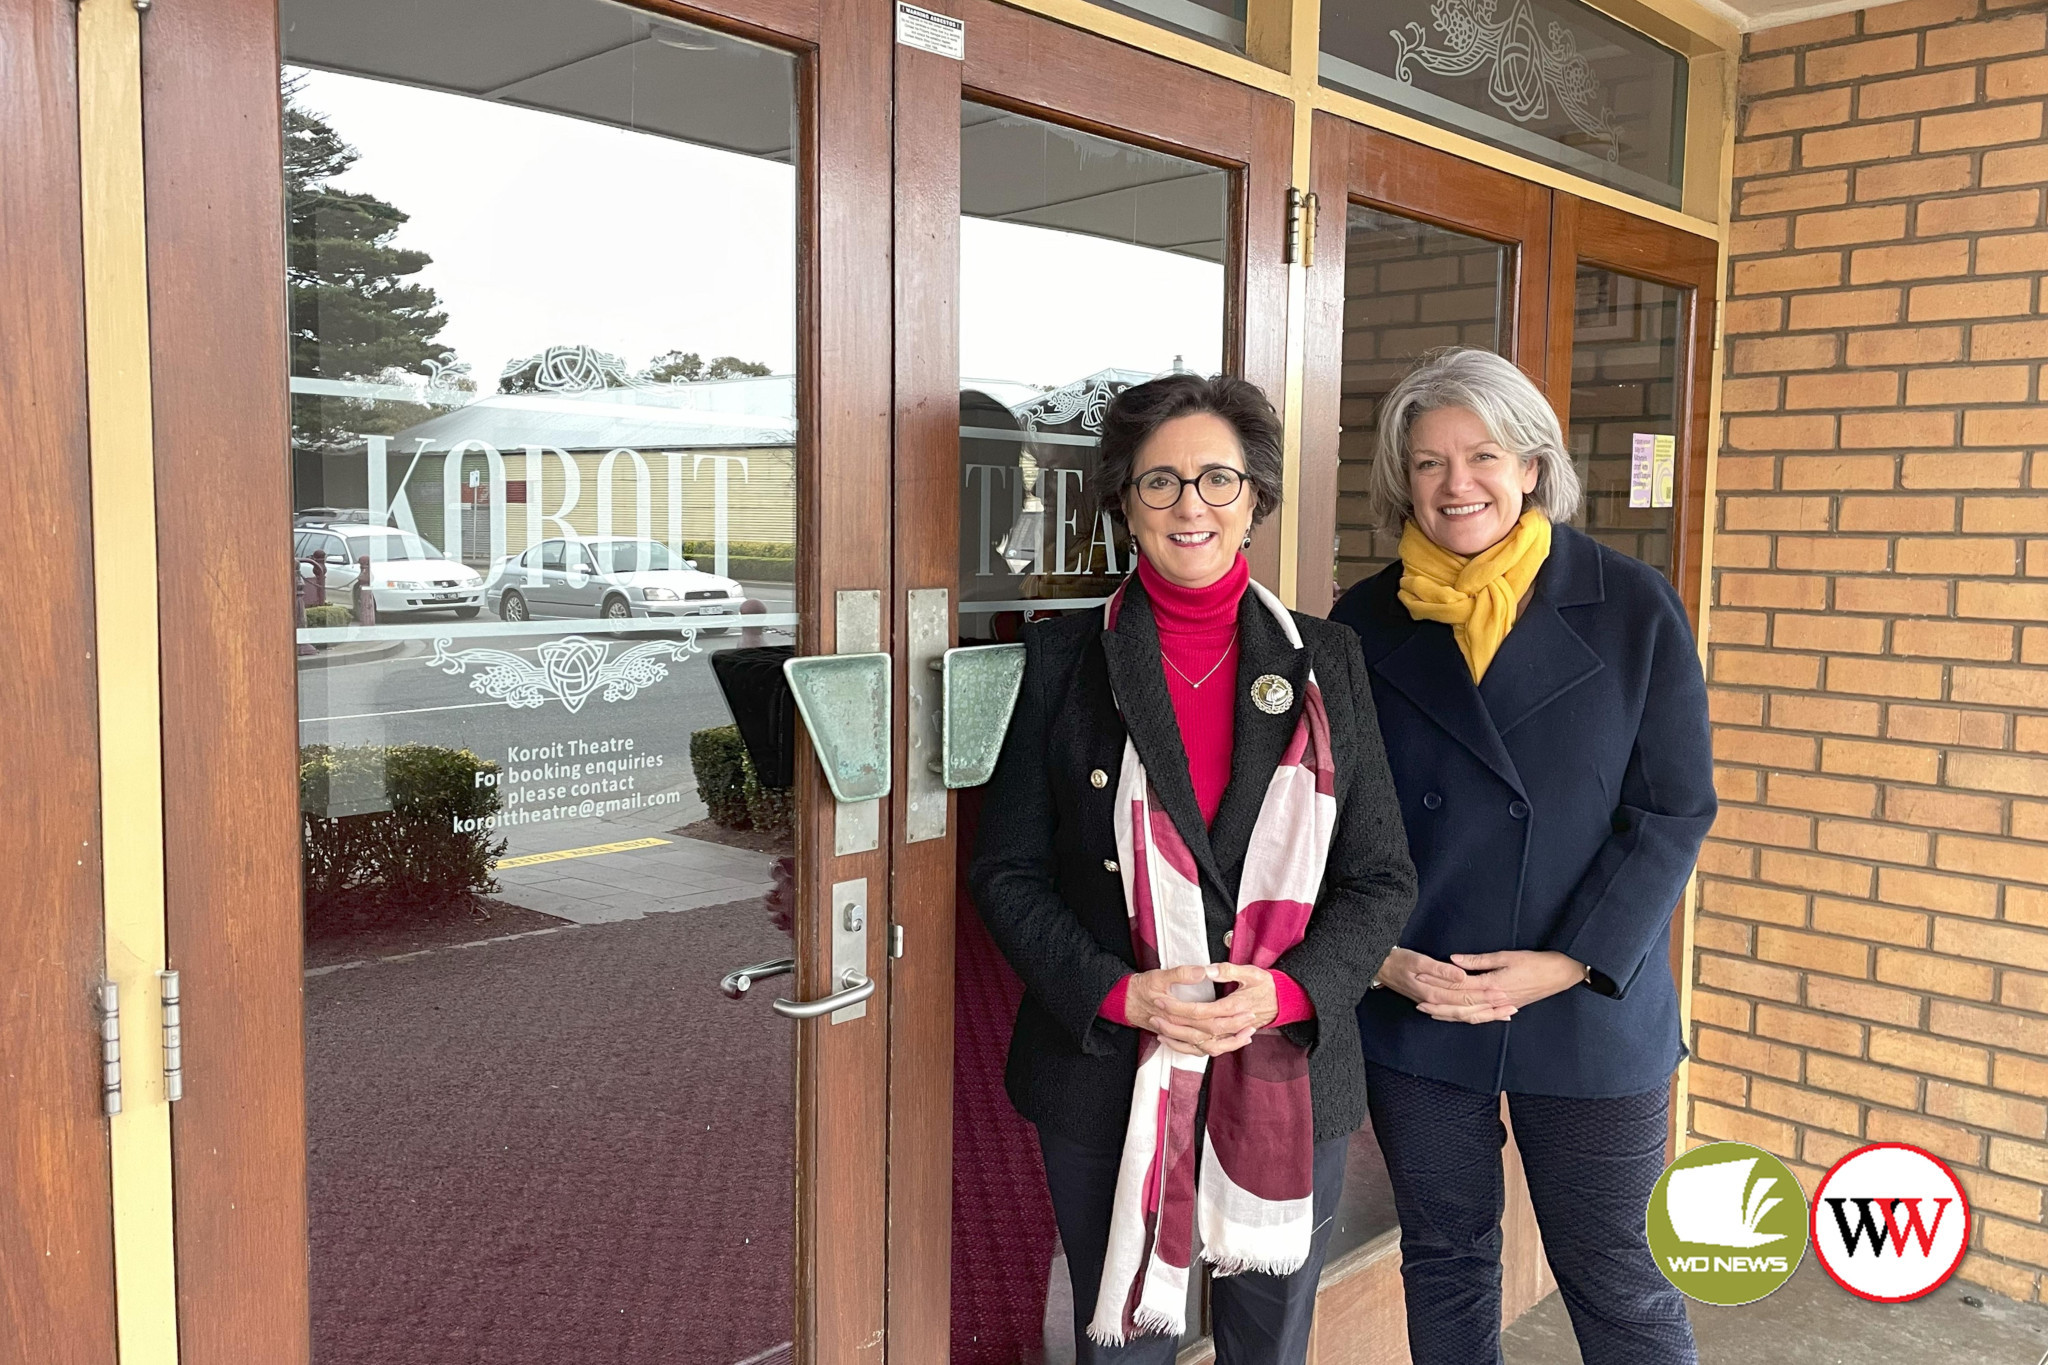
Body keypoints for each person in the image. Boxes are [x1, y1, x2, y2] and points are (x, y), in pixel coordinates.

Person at [970, 373, 1416, 1364]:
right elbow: (1005, 873)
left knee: (1267, 1344)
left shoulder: (1323, 660)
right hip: (1108, 1072)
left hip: (1287, 1061)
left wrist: (1287, 991)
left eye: (1217, 479)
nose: (1189, 505)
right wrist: (1122, 997)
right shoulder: (1058, 662)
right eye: (1158, 482)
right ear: (1123, 504)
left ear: (1253, 498)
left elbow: (1379, 875)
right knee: (1122, 1340)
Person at [1330, 347, 1716, 1365]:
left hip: (1586, 996)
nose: (1455, 484)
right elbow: (1324, 818)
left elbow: (1671, 810)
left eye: (1481, 456)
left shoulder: (1630, 605)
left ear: (1532, 466)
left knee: (1614, 1273)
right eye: (1426, 462)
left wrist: (1568, 962)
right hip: (1421, 992)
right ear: (1399, 479)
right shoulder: (1362, 623)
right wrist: (1379, 958)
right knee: (1445, 1259)